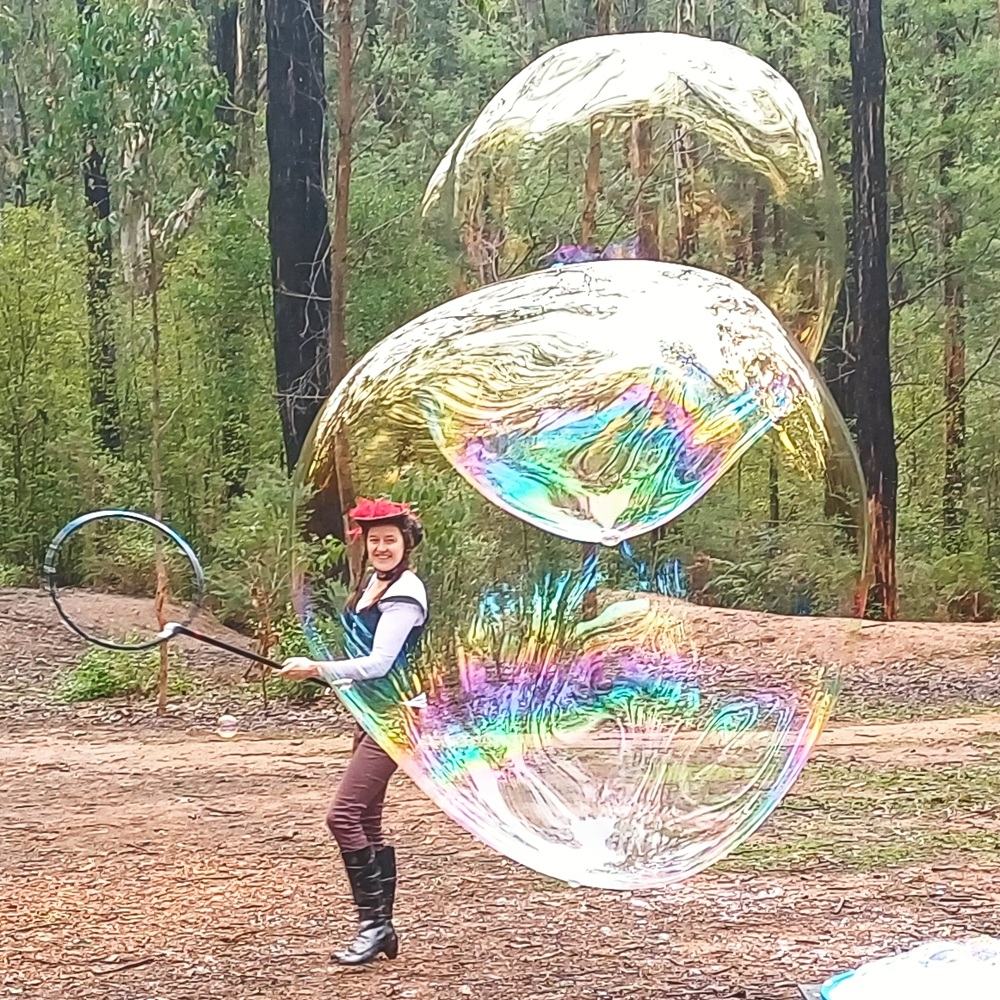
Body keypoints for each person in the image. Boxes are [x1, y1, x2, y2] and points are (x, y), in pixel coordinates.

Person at [280, 498, 428, 967]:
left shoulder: (406, 592)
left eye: (390, 538)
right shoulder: (372, 585)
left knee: (341, 816)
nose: (381, 546)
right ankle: (382, 930)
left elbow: (381, 662)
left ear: (406, 542)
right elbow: (367, 665)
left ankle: (374, 924)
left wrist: (317, 667)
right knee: (365, 821)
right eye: (374, 539)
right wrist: (333, 677)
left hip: (396, 716)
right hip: (371, 711)